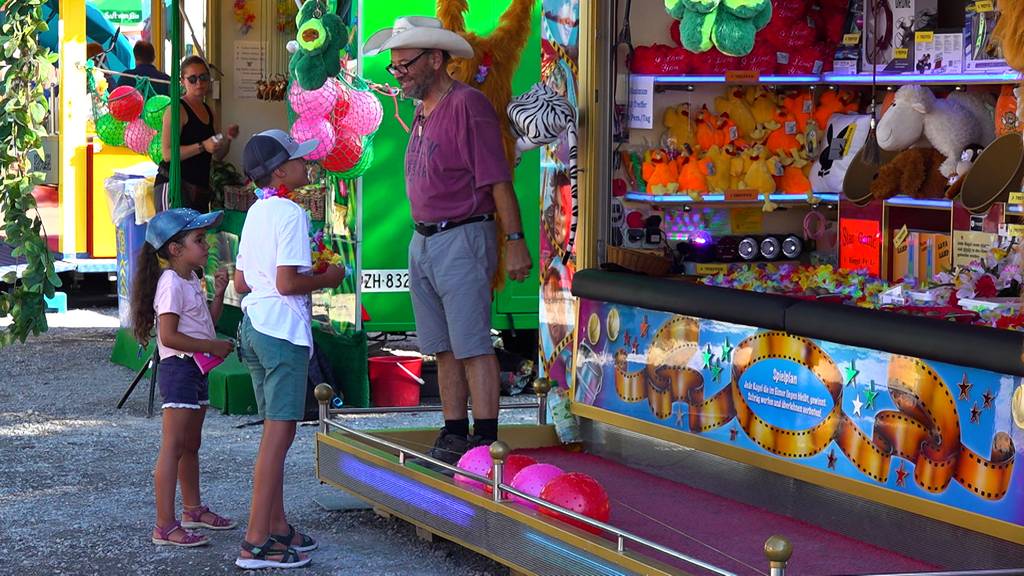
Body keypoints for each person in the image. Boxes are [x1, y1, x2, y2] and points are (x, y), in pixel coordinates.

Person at [364, 16, 533, 463]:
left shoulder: (468, 105)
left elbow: (498, 180)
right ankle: (455, 431)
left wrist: (514, 238)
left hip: (461, 234)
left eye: (404, 65)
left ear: (436, 59)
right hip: (425, 239)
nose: (396, 73)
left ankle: (485, 439)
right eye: (394, 66)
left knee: (473, 343)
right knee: (440, 345)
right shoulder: (423, 110)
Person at [233, 130, 346, 570]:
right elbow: (287, 283)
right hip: (282, 332)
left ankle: (276, 525)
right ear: (280, 171)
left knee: (271, 435)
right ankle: (256, 540)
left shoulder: (257, 210)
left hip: (254, 327)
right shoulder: (292, 213)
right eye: (299, 160)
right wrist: (329, 278)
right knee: (277, 441)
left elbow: (242, 282)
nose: (307, 165)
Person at [129, 208, 237, 547]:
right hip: (179, 368)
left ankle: (192, 510)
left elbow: (206, 319)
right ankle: (164, 524)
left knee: (191, 445)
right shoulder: (171, 284)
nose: (206, 246)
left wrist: (219, 294)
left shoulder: (191, 278)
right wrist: (212, 345)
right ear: (175, 249)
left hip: (196, 368)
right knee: (173, 447)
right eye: (199, 240)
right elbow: (170, 336)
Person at [157, 55, 239, 212]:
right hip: (174, 186)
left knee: (197, 236)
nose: (199, 83)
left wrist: (228, 138)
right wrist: (202, 146)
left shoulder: (209, 111)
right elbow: (167, 153)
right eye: (192, 79)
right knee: (175, 236)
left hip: (198, 189)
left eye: (203, 77)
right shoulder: (176, 109)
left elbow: (217, 155)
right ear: (183, 81)